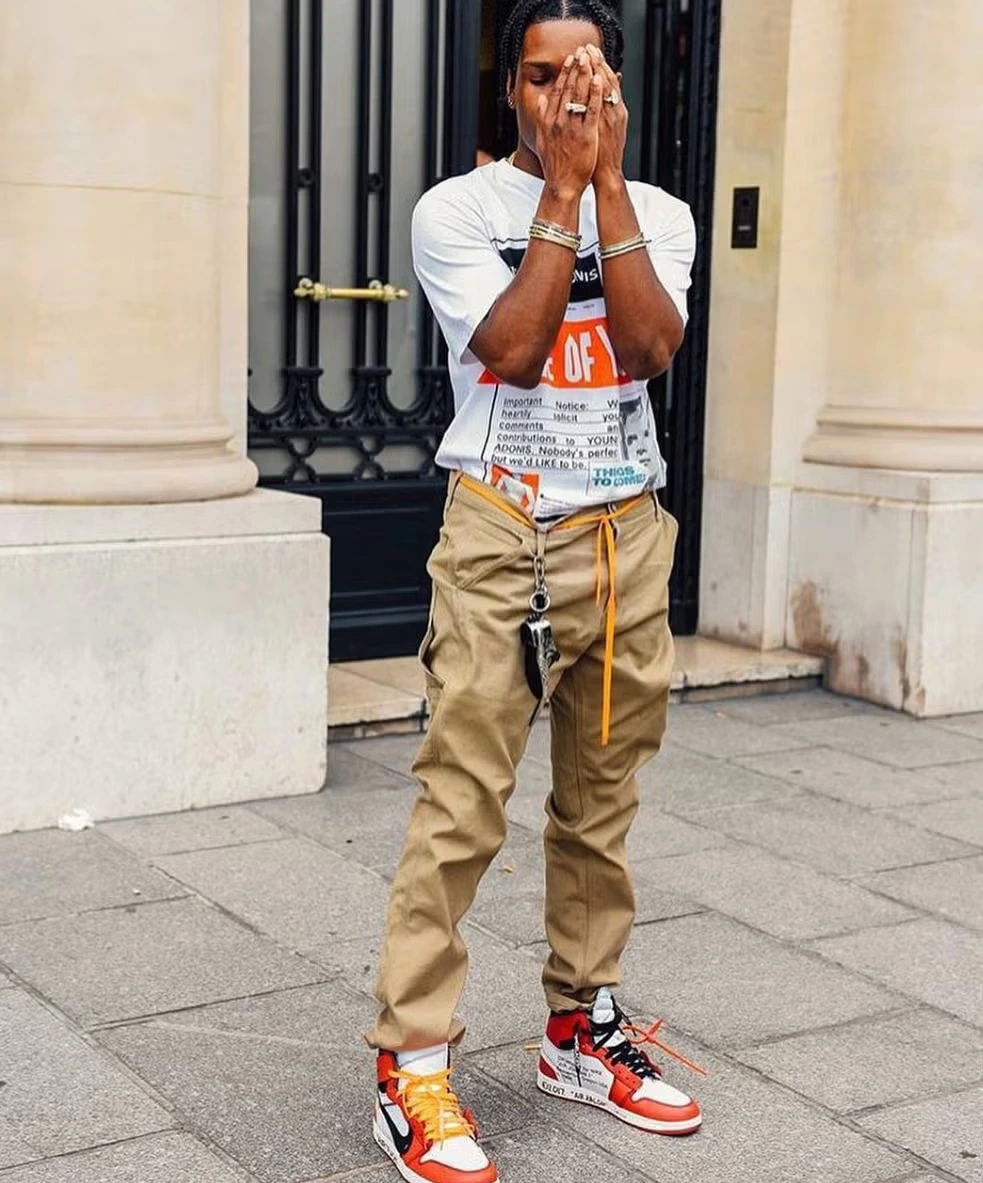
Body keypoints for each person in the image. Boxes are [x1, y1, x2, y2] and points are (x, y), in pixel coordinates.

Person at [368, 3, 701, 1180]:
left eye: (587, 73)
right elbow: (509, 350)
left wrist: (603, 185)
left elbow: (649, 348)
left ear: (616, 86)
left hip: (621, 531)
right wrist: (561, 188)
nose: (567, 93)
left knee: (600, 803)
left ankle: (578, 1027)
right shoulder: (455, 212)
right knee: (461, 802)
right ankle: (411, 1063)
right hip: (501, 525)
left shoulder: (658, 213)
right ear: (510, 87)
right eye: (544, 73)